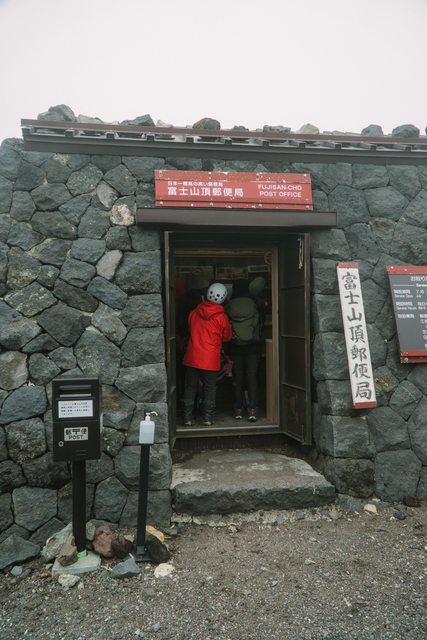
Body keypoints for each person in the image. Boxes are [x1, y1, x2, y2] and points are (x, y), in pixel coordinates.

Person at [182, 282, 232, 427]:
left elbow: (190, 330)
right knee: (210, 387)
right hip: (210, 358)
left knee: (190, 387)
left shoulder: (193, 313)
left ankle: (187, 418)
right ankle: (208, 418)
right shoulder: (222, 317)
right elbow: (227, 337)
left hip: (193, 356)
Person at [226, 279, 262, 421]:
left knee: (237, 377)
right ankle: (252, 408)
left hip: (235, 346)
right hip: (253, 346)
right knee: (252, 377)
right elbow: (260, 322)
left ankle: (238, 408)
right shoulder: (255, 303)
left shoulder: (229, 305)